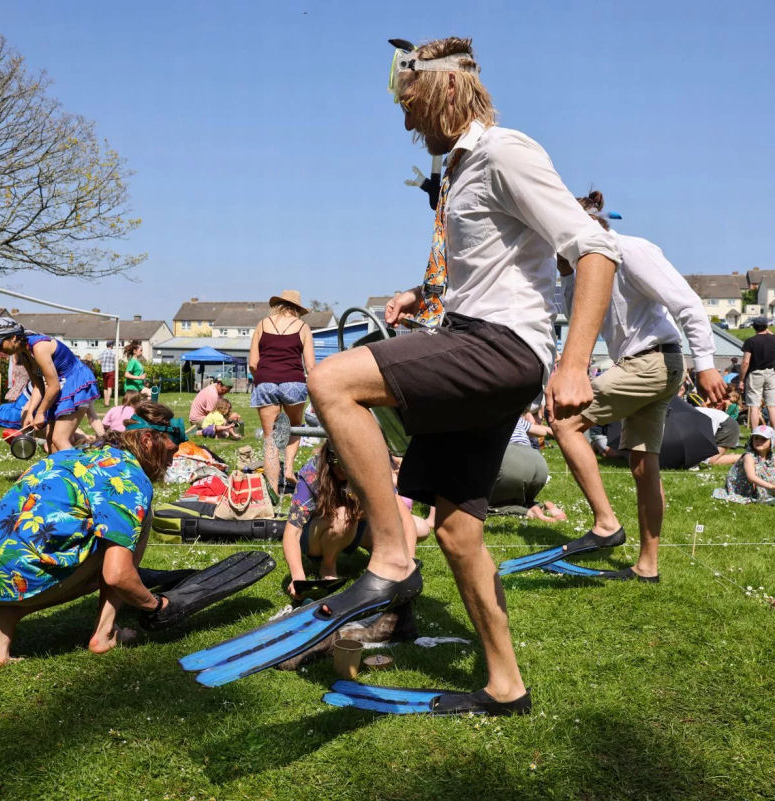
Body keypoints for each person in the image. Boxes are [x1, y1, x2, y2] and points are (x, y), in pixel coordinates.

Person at [299, 36, 623, 714]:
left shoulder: (507, 151)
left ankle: (390, 557)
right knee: (457, 529)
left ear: (443, 90)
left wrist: (574, 363)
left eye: (409, 102)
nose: (405, 119)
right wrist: (423, 294)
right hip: (475, 335)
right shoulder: (457, 172)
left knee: (332, 379)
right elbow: (492, 263)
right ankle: (507, 684)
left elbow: (594, 248)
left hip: (502, 347)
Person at [550, 190, 726, 583]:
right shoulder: (585, 269)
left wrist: (707, 366)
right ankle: (647, 567)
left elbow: (688, 305)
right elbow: (569, 313)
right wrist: (565, 272)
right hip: (642, 365)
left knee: (565, 422)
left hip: (654, 362)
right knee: (644, 467)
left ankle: (606, 523)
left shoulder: (631, 250)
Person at [0, 402, 185, 665]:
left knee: (103, 535)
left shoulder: (84, 453)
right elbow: (118, 576)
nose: (172, 461)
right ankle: (104, 633)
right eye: (171, 451)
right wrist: (156, 606)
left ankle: (2, 621)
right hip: (22, 573)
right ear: (149, 440)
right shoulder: (130, 477)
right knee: (130, 534)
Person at [281, 441, 426, 601]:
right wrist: (297, 576)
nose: (341, 472)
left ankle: (384, 554)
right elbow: (291, 533)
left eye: (347, 467)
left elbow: (405, 519)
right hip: (316, 537)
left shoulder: (369, 470)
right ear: (329, 461)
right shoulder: (312, 473)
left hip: (353, 528)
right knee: (343, 515)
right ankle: (328, 566)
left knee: (422, 528)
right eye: (337, 466)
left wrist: (409, 563)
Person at [0, 317, 100, 454]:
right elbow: (38, 385)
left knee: (60, 439)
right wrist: (30, 413)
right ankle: (59, 474)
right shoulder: (24, 354)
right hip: (61, 384)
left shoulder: (39, 348)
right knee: (50, 442)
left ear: (14, 337)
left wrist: (40, 413)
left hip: (75, 381)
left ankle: (82, 473)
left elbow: (54, 386)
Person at [250, 290, 315, 494]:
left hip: (266, 382)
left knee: (270, 438)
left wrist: (263, 377)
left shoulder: (262, 324)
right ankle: (288, 470)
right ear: (297, 309)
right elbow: (310, 367)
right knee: (295, 426)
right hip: (293, 383)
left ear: (277, 305)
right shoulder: (303, 327)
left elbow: (253, 363)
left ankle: (272, 489)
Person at [488, 411, 567, 521]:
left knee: (484, 504)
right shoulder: (515, 418)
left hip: (510, 459)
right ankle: (542, 507)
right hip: (537, 463)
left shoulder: (483, 417)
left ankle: (529, 512)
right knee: (520, 499)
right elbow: (543, 431)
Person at [712, 425, 775, 504]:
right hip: (743, 489)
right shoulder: (749, 456)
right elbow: (751, 477)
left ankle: (767, 493)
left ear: (771, 442)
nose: (759, 441)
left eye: (763, 439)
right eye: (756, 438)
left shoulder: (772, 458)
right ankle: (760, 493)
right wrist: (770, 486)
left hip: (763, 486)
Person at [738, 317, 775, 431]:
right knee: (771, 406)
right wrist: (767, 329)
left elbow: (745, 362)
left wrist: (741, 380)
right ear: (766, 327)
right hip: (771, 373)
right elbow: (772, 334)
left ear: (753, 327)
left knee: (754, 406)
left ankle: (755, 435)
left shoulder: (750, 341)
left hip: (755, 374)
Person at [98, 341, 118, 406]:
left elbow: (99, 362)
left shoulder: (102, 352)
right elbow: (116, 362)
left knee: (105, 387)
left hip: (104, 371)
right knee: (110, 387)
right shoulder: (113, 353)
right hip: (111, 371)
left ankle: (105, 401)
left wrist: (103, 365)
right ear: (111, 345)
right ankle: (107, 402)